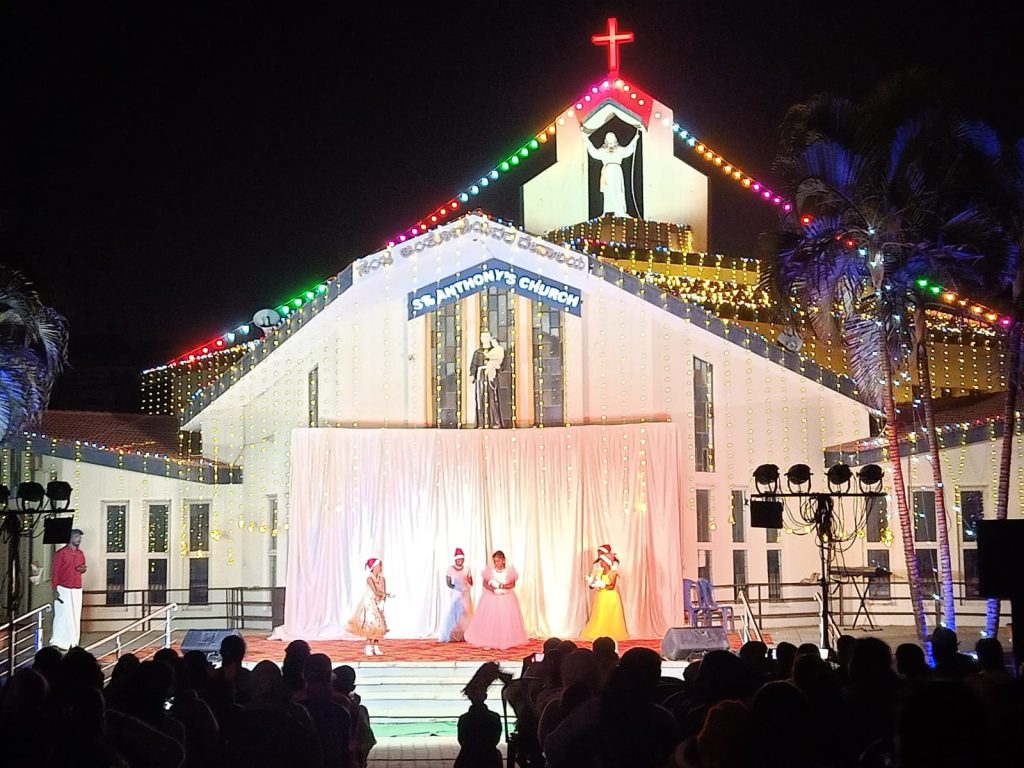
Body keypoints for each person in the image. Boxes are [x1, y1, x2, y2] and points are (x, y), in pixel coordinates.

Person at [464, 550, 529, 649]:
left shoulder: (509, 571)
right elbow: (485, 584)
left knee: (506, 619)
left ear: (503, 560)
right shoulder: (490, 571)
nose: (496, 563)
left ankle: (506, 640)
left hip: (506, 598)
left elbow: (512, 585)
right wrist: (493, 589)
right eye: (495, 561)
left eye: (498, 561)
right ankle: (490, 640)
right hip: (492, 598)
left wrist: (500, 586)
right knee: (491, 620)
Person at [584, 128, 641, 217]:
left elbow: (629, 150)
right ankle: (608, 210)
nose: (610, 139)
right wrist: (586, 139)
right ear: (606, 139)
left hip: (616, 170)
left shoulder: (620, 150)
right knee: (608, 191)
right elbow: (593, 152)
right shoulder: (602, 151)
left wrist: (635, 139)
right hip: (607, 171)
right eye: (608, 138)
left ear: (615, 139)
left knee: (617, 190)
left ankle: (620, 211)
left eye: (612, 137)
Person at [51, 527, 87, 650]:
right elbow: (55, 572)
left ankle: (73, 642)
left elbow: (83, 568)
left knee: (75, 615)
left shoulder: (80, 553)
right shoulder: (61, 553)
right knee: (63, 615)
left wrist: (82, 569)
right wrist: (54, 589)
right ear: (70, 538)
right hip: (63, 587)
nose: (79, 539)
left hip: (77, 587)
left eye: (79, 537)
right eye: (76, 536)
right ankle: (58, 641)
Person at [347, 558, 392, 656]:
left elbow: (383, 591)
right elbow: (376, 591)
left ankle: (376, 646)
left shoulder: (382, 579)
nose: (380, 567)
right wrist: (386, 594)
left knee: (379, 624)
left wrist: (383, 600)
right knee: (371, 624)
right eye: (379, 565)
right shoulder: (369, 579)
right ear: (374, 567)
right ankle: (368, 646)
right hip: (370, 602)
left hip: (378, 602)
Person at [581, 554, 629, 642]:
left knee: (610, 615)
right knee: (600, 614)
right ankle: (599, 632)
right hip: (600, 596)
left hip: (610, 596)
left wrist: (602, 584)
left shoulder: (613, 573)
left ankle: (611, 633)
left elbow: (611, 586)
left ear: (607, 563)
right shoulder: (599, 572)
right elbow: (593, 585)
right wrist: (592, 583)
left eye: (603, 561)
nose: (601, 562)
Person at [470, 331, 506, 428]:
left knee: (493, 398)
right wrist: (472, 375)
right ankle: (481, 423)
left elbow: (502, 364)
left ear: (490, 338)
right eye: (483, 337)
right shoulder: (477, 352)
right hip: (481, 376)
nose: (485, 339)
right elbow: (473, 365)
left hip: (491, 376)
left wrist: (497, 367)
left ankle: (496, 422)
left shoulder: (496, 350)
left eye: (487, 337)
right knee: (480, 398)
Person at [440, 547, 474, 642]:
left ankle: (465, 634)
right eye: (458, 559)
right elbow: (448, 583)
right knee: (454, 613)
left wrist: (468, 582)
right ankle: (452, 635)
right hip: (456, 593)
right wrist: (457, 588)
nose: (460, 561)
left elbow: (471, 582)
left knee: (465, 613)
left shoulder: (467, 568)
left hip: (465, 592)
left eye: (462, 559)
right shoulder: (450, 569)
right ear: (455, 559)